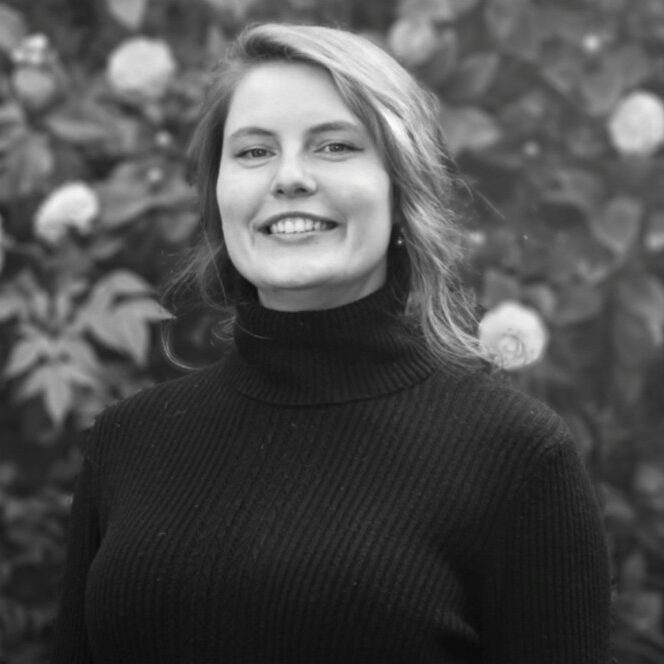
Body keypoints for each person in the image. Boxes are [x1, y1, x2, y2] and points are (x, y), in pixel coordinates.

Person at [51, 22, 612, 664]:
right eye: (254, 151)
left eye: (335, 146)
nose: (288, 178)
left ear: (401, 188)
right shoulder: (128, 443)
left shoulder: (516, 458)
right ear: (218, 194)